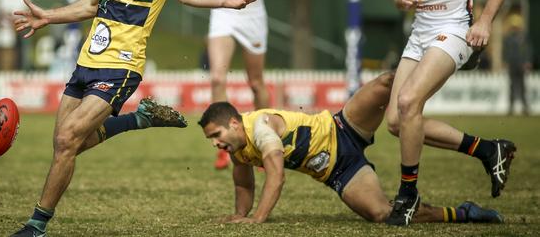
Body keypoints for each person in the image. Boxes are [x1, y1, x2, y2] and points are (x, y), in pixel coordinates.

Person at [9, 0, 260, 237]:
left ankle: (36, 226)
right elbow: (92, 5)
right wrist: (47, 16)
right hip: (86, 64)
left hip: (120, 68)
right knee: (67, 144)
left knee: (67, 141)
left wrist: (226, 1)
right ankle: (137, 120)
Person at [199, 72, 504, 225]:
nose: (215, 143)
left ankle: (436, 73)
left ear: (235, 123)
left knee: (386, 82)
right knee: (387, 215)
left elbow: (276, 178)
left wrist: (257, 220)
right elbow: (243, 183)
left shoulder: (260, 127)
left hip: (344, 126)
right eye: (211, 139)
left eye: (217, 134)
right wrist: (240, 215)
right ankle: (464, 213)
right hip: (340, 171)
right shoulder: (237, 148)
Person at [386, 0, 515, 225]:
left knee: (409, 102)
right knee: (396, 122)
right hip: (421, 32)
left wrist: (485, 21)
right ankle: (488, 149)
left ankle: (408, 194)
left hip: (454, 30)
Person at [202, 0, 277, 170]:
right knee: (217, 76)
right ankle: (222, 142)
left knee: (255, 81)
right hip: (224, 10)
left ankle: (264, 139)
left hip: (251, 12)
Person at [503, 13, 532, 116]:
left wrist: (527, 61)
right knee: (512, 87)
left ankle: (525, 108)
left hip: (521, 64)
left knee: (523, 87)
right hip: (512, 64)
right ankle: (511, 108)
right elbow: (505, 51)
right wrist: (505, 61)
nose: (515, 28)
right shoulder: (508, 38)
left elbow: (527, 50)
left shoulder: (523, 37)